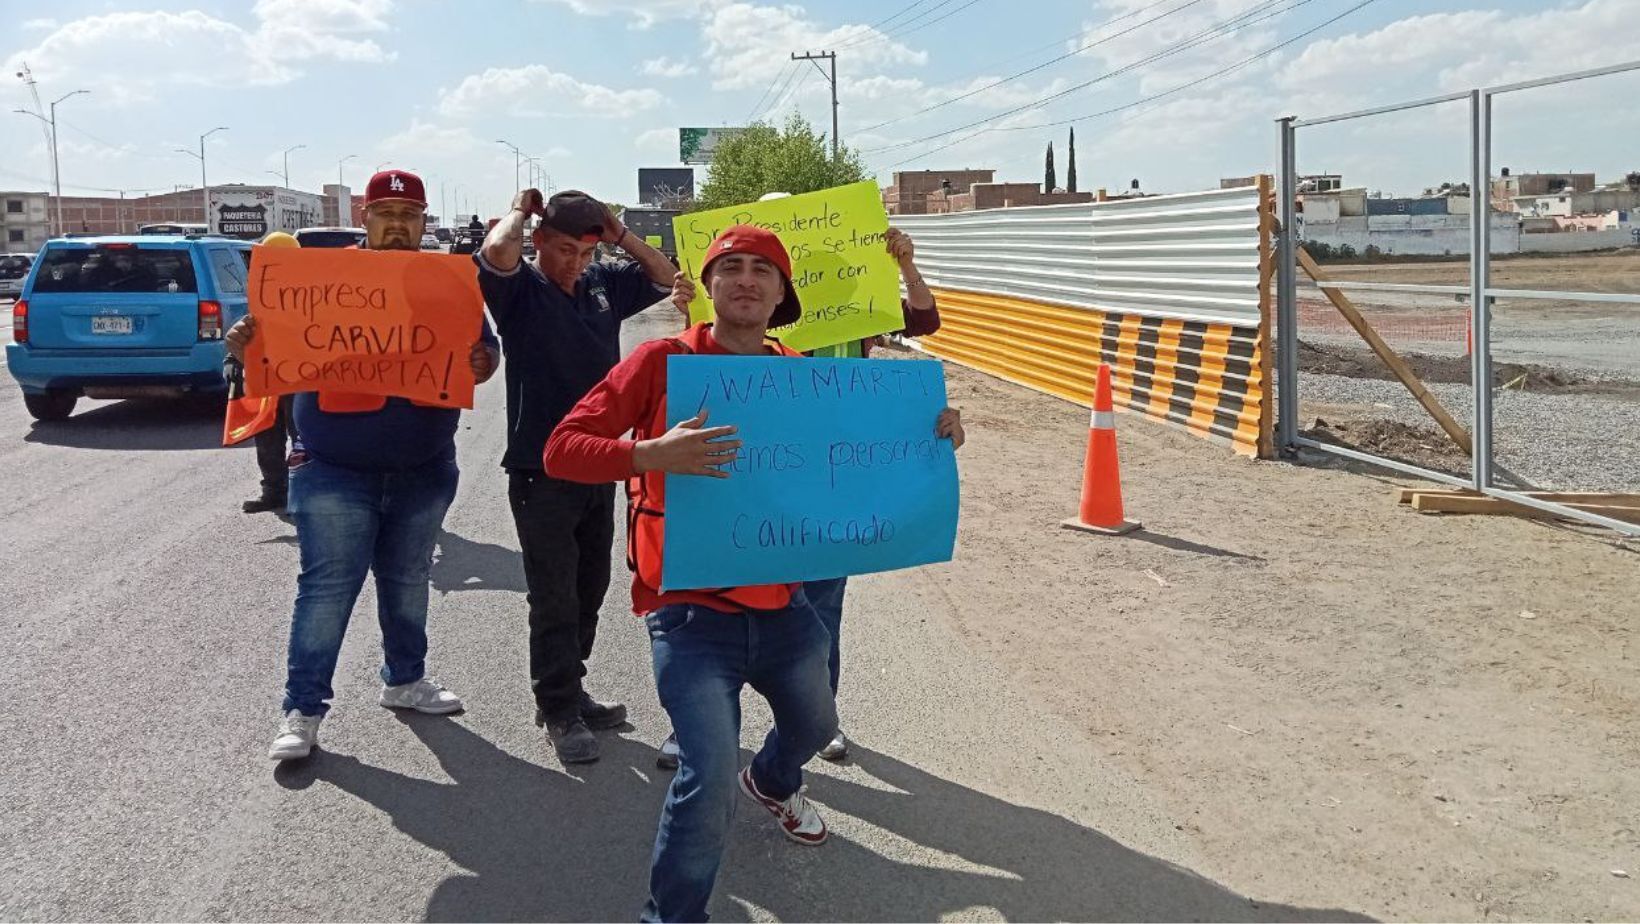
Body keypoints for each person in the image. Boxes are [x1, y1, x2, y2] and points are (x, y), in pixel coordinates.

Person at [544, 224, 964, 922]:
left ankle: (773, 780)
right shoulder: (662, 362)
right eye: (730, 267)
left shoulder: (802, 376)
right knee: (708, 781)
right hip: (690, 615)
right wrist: (649, 454)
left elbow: (867, 449)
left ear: (782, 294)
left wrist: (933, 429)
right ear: (705, 288)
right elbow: (563, 449)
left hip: (784, 610)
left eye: (762, 270)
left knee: (813, 724)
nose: (745, 280)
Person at [224, 170, 501, 761]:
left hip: (424, 466)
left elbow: (484, 348)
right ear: (366, 217)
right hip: (333, 468)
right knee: (327, 591)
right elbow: (272, 350)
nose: (397, 223)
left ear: (424, 222)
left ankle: (405, 680)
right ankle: (302, 709)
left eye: (409, 213)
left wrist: (484, 360)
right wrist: (248, 342)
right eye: (386, 211)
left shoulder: (449, 282)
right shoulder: (319, 281)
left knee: (406, 583)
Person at [655, 217, 943, 767]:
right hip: (751, 473)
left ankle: (819, 717)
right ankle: (698, 724)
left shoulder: (861, 314)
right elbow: (699, 352)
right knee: (722, 600)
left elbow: (925, 320)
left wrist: (904, 263)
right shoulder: (754, 319)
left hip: (833, 476)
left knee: (819, 606)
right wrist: (686, 304)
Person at [475, 188, 677, 764]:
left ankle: (575, 687)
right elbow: (496, 250)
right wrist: (519, 207)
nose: (575, 263)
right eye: (565, 250)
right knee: (554, 594)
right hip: (539, 470)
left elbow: (665, 276)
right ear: (539, 241)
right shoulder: (520, 291)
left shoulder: (600, 284)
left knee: (591, 587)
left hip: (598, 460)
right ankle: (557, 708)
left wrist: (617, 235)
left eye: (585, 252)